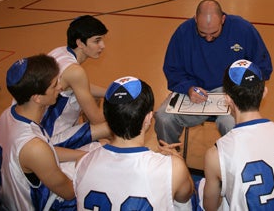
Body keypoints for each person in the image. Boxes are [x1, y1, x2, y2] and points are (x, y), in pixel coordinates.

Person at [201, 59, 274, 210]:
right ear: (264, 93)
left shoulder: (216, 154)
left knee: (204, 187)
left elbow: (210, 207)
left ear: (227, 98)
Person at [155, 0, 273, 145]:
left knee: (230, 124)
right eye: (203, 33)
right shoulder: (183, 33)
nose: (209, 38)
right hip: (193, 93)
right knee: (163, 118)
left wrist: (239, 89)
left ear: (223, 19)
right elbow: (172, 69)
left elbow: (262, 66)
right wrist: (188, 88)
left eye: (214, 33)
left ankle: (236, 161)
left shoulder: (243, 30)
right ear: (195, 19)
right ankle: (171, 158)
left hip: (230, 92)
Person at [74, 76, 194, 210]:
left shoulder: (82, 162)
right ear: (148, 118)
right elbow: (185, 196)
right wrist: (178, 160)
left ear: (107, 117)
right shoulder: (174, 167)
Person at [0, 54, 83, 210]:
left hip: (8, 198)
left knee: (91, 153)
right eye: (54, 85)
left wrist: (82, 156)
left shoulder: (9, 114)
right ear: (37, 98)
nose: (60, 87)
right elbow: (69, 192)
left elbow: (46, 153)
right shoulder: (34, 147)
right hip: (34, 206)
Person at [41, 15, 111, 148]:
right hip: (50, 137)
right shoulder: (75, 71)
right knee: (111, 132)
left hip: (39, 125)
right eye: (97, 41)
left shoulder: (60, 52)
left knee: (95, 98)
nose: (103, 46)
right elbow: (97, 119)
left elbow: (80, 85)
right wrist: (124, 108)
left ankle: (85, 138)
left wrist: (110, 92)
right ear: (80, 43)